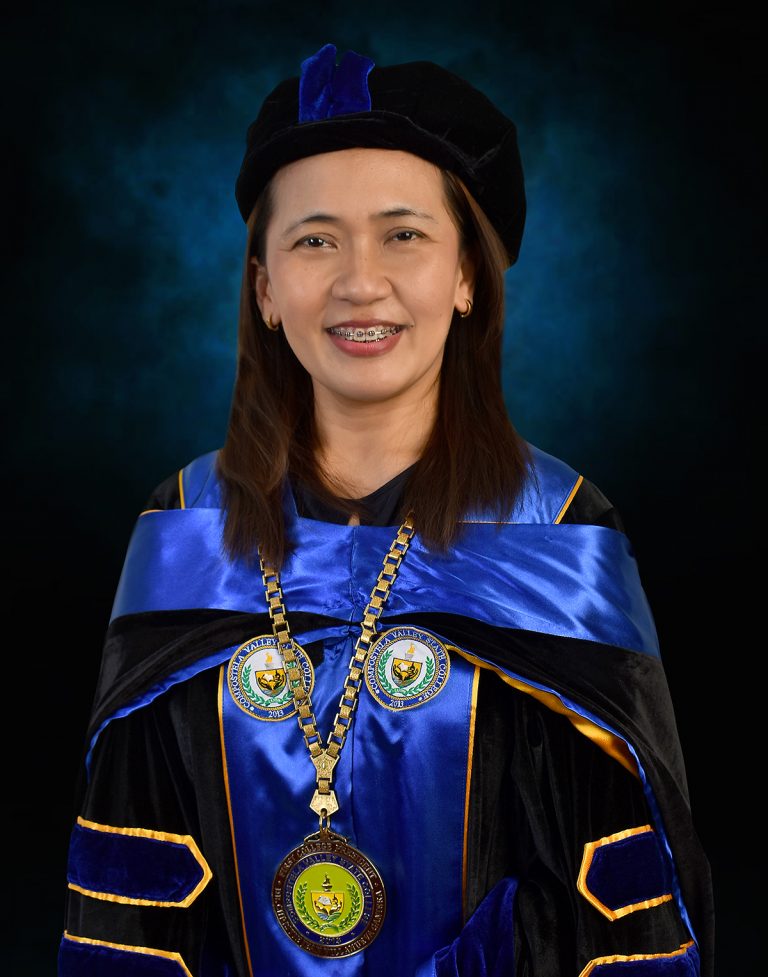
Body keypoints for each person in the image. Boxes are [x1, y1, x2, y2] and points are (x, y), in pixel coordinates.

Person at [58, 42, 714, 977]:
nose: (360, 281)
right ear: (265, 289)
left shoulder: (559, 529)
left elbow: (616, 911)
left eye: (403, 235)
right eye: (315, 240)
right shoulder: (185, 523)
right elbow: (131, 893)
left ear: (467, 275)